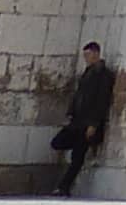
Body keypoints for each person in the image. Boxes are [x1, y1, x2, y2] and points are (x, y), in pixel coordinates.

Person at [50, 39, 116, 196]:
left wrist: (93, 124)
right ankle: (64, 185)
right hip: (77, 122)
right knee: (57, 143)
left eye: (88, 55)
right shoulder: (88, 72)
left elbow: (102, 100)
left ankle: (64, 187)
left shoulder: (103, 75)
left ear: (96, 54)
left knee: (77, 158)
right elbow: (79, 96)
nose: (86, 58)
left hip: (87, 124)